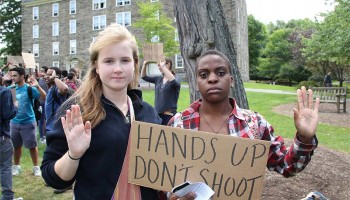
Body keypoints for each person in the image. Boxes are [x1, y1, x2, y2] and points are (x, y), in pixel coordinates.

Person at [167, 50, 320, 200]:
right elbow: (164, 179)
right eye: (203, 75)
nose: (212, 79)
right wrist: (172, 196)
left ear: (232, 80)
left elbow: (286, 166)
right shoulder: (178, 124)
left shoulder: (255, 123)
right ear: (196, 83)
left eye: (220, 73)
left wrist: (305, 138)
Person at [41, 23, 162, 199]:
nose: (118, 69)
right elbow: (52, 177)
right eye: (109, 61)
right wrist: (74, 155)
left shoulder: (148, 113)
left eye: (125, 60)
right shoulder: (77, 111)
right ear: (96, 66)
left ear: (135, 64)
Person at [8, 67, 46, 177]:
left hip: (28, 122)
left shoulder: (29, 89)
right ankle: (16, 166)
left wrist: (37, 86)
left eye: (15, 75)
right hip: (14, 122)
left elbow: (44, 97)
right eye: (12, 75)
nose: (13, 78)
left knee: (32, 146)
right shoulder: (12, 89)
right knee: (16, 146)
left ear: (22, 76)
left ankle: (36, 167)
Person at [141, 58, 181, 125]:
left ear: (168, 64)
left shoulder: (176, 78)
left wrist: (164, 67)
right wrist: (145, 64)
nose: (159, 67)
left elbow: (173, 82)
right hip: (157, 115)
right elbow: (144, 77)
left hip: (169, 116)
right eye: (158, 65)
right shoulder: (158, 79)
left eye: (160, 65)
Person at [0, 83, 20, 200]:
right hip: (2, 136)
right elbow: (7, 114)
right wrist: (15, 106)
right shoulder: (4, 91)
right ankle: (7, 196)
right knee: (5, 167)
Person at [38, 66, 49, 144]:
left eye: (42, 71)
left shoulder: (47, 80)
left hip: (48, 101)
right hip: (41, 102)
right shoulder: (40, 80)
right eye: (40, 70)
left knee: (47, 119)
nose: (40, 72)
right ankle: (42, 137)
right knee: (41, 120)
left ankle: (47, 134)